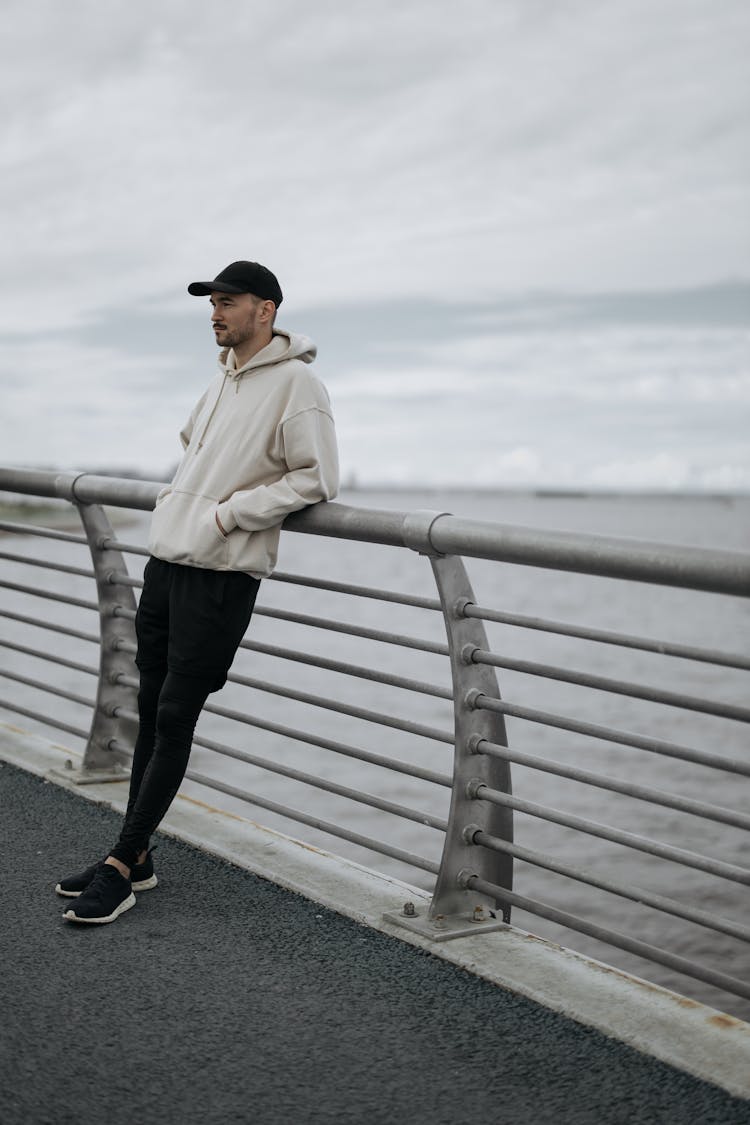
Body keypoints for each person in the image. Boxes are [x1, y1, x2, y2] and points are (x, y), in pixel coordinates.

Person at [56, 260, 339, 924]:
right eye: (211, 302)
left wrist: (228, 514)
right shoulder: (219, 383)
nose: (215, 312)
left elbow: (316, 478)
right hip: (169, 564)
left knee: (177, 714)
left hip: (221, 575)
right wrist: (181, 505)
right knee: (151, 708)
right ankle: (139, 856)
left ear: (264, 310)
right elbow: (193, 448)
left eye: (227, 302)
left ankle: (121, 865)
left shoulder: (298, 384)